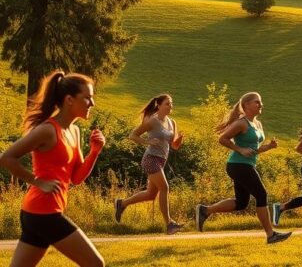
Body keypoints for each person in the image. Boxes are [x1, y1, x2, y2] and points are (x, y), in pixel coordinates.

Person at [0, 71, 107, 267]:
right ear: (69, 99)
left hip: (37, 213)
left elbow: (76, 178)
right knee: (95, 263)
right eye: (87, 98)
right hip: (44, 212)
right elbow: (6, 158)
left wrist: (94, 152)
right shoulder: (48, 130)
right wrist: (38, 181)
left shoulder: (74, 131)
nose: (92, 104)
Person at [194, 92, 291, 244]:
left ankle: (205, 210)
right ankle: (271, 234)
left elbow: (253, 149)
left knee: (241, 203)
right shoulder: (241, 123)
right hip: (237, 164)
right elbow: (223, 139)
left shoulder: (257, 124)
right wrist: (239, 149)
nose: (261, 105)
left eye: (261, 102)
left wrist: (269, 147)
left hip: (246, 164)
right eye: (257, 102)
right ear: (246, 105)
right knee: (261, 194)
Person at [114, 94, 185, 234]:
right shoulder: (153, 121)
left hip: (161, 160)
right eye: (167, 103)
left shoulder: (172, 122)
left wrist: (180, 139)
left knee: (151, 194)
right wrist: (147, 142)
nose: (170, 106)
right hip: (151, 159)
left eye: (171, 104)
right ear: (158, 105)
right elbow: (133, 135)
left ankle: (121, 204)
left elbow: (175, 146)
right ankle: (170, 224)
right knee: (165, 188)